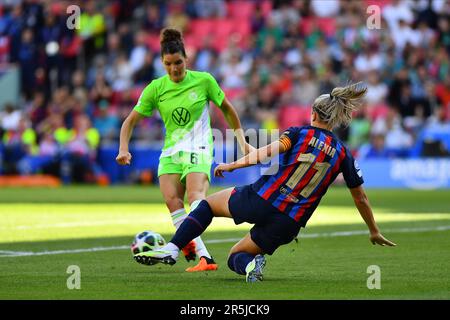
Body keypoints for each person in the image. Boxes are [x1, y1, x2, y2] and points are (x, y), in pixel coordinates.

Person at [133, 82, 396, 282]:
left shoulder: (298, 133)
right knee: (236, 257)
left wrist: (233, 164)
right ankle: (250, 266)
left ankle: (171, 249)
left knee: (207, 206)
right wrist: (373, 230)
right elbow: (360, 197)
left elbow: (264, 153)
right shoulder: (343, 154)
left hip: (262, 199)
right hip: (290, 222)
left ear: (314, 113)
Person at [116, 28, 253, 272]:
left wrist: (242, 143)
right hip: (171, 151)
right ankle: (205, 256)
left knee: (195, 197)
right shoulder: (155, 88)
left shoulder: (204, 80)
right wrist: (123, 149)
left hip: (198, 147)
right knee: (172, 201)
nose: (174, 69)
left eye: (178, 62)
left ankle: (184, 246)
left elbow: (228, 109)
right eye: (168, 64)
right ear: (162, 62)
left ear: (186, 59)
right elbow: (129, 121)